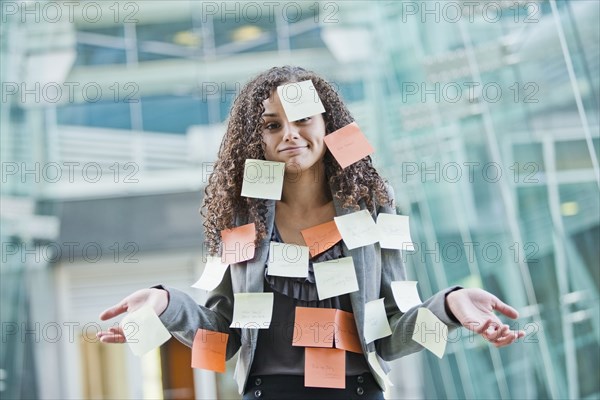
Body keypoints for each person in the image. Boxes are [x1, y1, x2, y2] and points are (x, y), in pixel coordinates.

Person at [97, 66, 525, 399]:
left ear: (328, 125)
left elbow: (390, 337)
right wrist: (166, 304)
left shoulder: (372, 205)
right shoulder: (242, 216)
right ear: (256, 140)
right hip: (266, 393)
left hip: (358, 393)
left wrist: (449, 306)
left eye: (302, 118)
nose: (290, 134)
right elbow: (225, 340)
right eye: (271, 125)